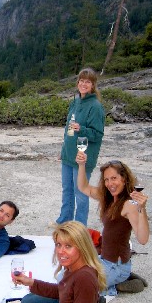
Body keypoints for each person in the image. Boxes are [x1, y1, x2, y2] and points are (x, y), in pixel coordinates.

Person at [76, 153, 150, 294]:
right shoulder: (108, 197)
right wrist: (81, 165)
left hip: (116, 266)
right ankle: (122, 278)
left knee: (82, 287)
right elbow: (83, 187)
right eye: (106, 180)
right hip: (104, 260)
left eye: (114, 178)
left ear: (124, 179)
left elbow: (143, 239)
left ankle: (121, 280)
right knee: (67, 275)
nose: (110, 183)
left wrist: (142, 208)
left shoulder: (129, 204)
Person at [56, 67, 105, 226]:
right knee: (67, 191)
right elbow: (69, 131)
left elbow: (97, 134)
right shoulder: (76, 101)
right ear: (78, 83)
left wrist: (81, 129)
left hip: (82, 158)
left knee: (81, 193)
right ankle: (65, 223)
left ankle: (80, 227)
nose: (84, 84)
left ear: (93, 85)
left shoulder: (95, 106)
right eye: (82, 81)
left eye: (88, 82)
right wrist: (64, 150)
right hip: (68, 155)